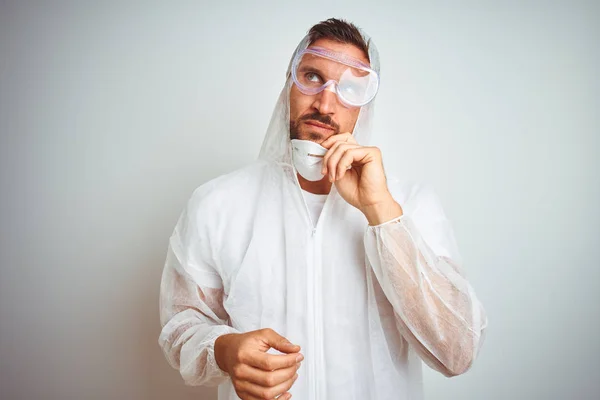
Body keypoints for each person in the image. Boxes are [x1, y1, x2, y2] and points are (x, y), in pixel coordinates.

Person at [158, 18, 487, 400]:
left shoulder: (411, 205)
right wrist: (224, 350)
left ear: (366, 106)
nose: (326, 103)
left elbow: (456, 352)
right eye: (312, 76)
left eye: (350, 88)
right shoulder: (218, 204)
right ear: (288, 85)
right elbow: (182, 325)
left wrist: (382, 212)